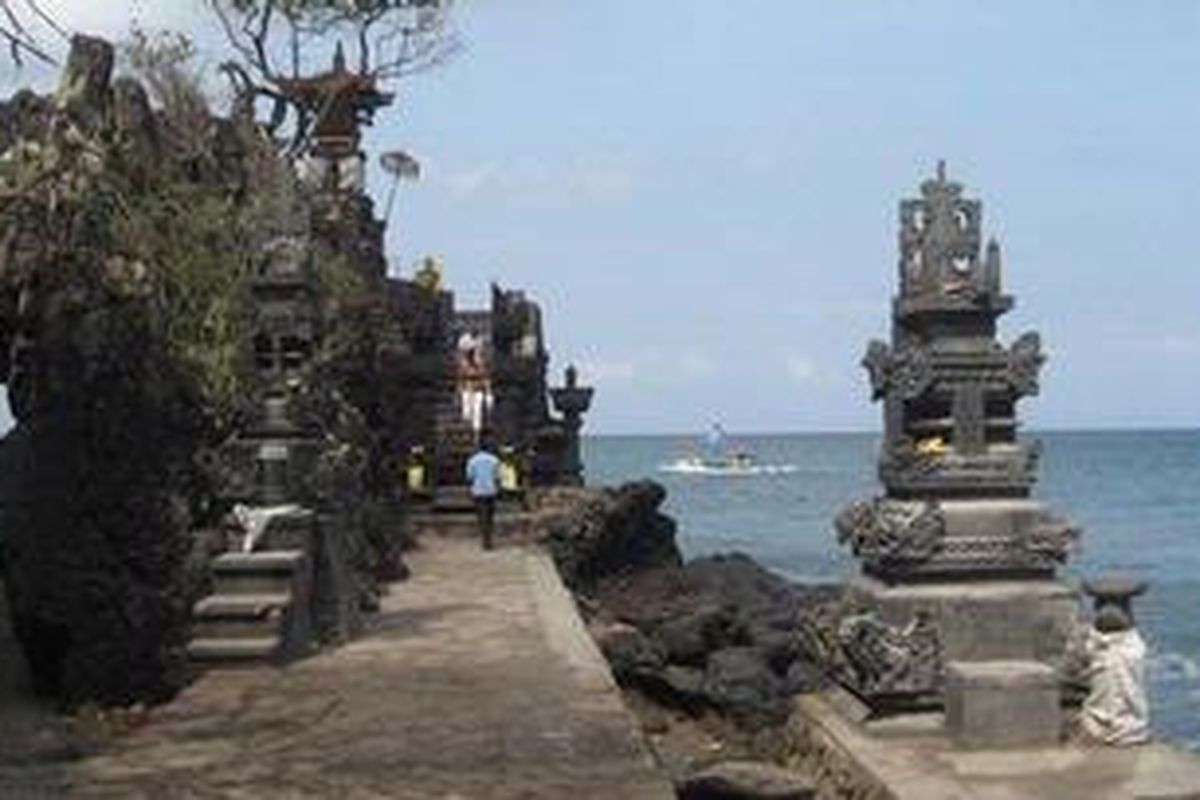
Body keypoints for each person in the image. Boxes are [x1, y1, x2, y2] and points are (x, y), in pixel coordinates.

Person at [465, 437, 501, 550]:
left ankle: (484, 536)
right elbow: (497, 476)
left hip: (478, 490)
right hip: (491, 490)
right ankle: (488, 537)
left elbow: (470, 477)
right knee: (490, 515)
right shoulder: (494, 460)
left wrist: (471, 488)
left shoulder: (472, 460)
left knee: (481, 514)